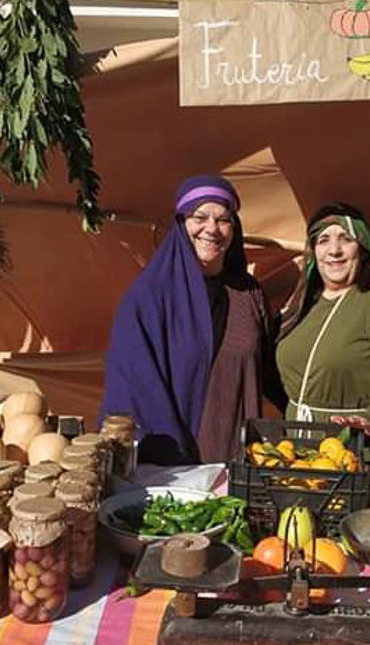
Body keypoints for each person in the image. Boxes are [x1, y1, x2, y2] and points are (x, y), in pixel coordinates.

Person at [101, 174, 284, 465]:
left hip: (236, 461)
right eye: (199, 217)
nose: (211, 228)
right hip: (170, 468)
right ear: (181, 223)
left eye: (223, 219)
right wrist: (172, 462)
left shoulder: (248, 294)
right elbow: (132, 384)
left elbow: (274, 370)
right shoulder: (149, 296)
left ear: (234, 228)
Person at [276, 203, 370, 472]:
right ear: (313, 251)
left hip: (357, 450)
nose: (334, 250)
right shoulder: (301, 305)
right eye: (323, 240)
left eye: (345, 239)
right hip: (298, 449)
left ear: (362, 247)